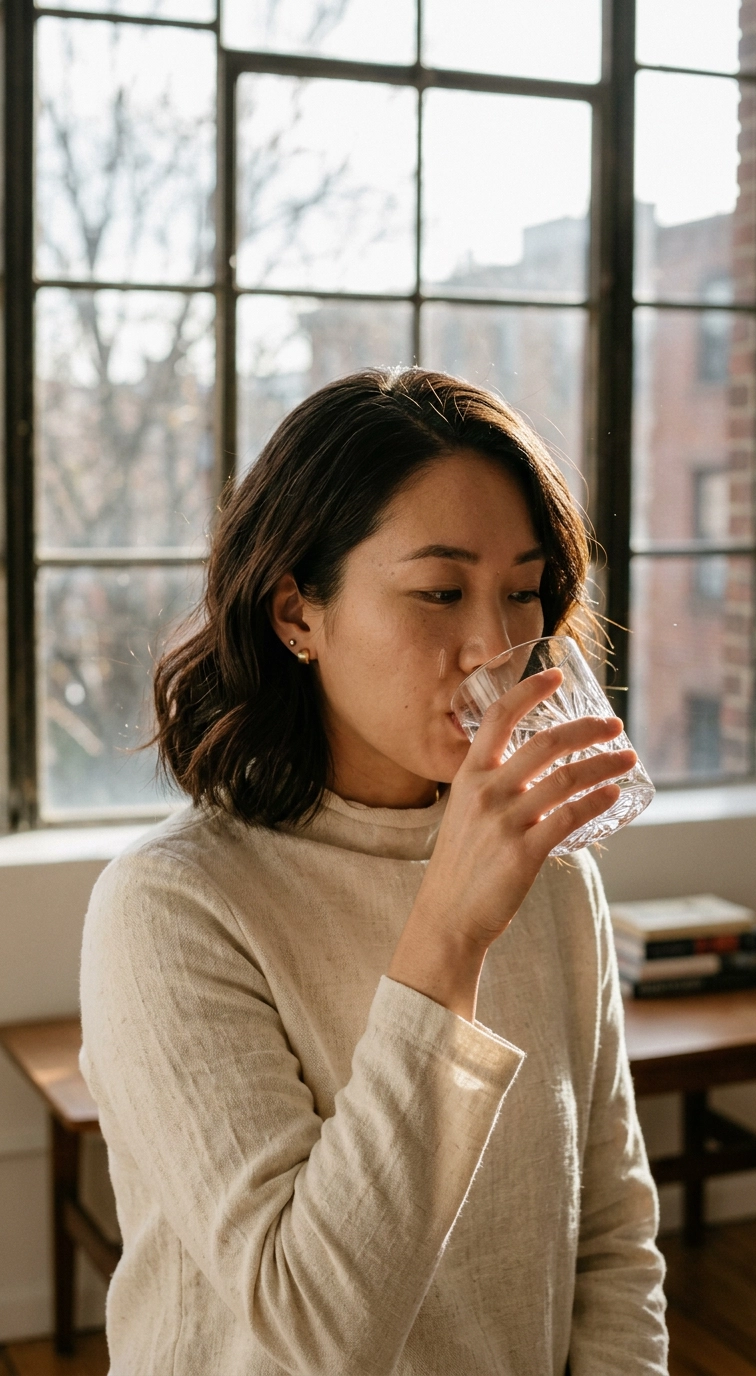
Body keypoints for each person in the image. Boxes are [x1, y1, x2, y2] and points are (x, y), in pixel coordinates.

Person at [80, 368, 668, 1375]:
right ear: (297, 614)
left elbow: (611, 1229)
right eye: (439, 591)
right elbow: (321, 1326)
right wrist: (449, 932)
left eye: (522, 591)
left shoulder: (554, 865)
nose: (497, 642)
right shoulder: (173, 905)